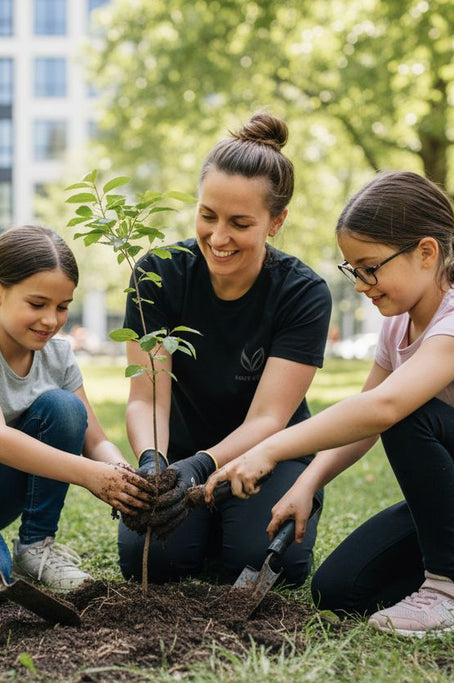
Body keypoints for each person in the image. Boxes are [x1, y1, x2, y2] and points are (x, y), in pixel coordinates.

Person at [205, 170, 454, 637]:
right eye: (353, 270)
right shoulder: (397, 324)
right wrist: (307, 481)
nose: (361, 284)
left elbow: (383, 410)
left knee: (410, 412)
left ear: (426, 253)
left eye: (370, 267)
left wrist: (268, 450)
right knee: (339, 591)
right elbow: (365, 418)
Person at [117, 112, 332, 586]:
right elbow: (146, 396)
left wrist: (202, 467)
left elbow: (268, 419)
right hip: (180, 453)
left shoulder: (302, 293)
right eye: (207, 215)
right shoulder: (157, 274)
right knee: (149, 563)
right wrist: (153, 460)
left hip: (266, 452)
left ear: (276, 223)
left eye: (240, 223)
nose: (218, 238)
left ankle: (235, 522)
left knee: (269, 564)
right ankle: (209, 523)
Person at [0, 224, 151, 600]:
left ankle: (36, 547)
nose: (51, 320)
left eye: (63, 307)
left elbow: (95, 439)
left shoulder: (58, 354)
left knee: (64, 408)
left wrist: (124, 477)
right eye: (37, 305)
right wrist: (91, 476)